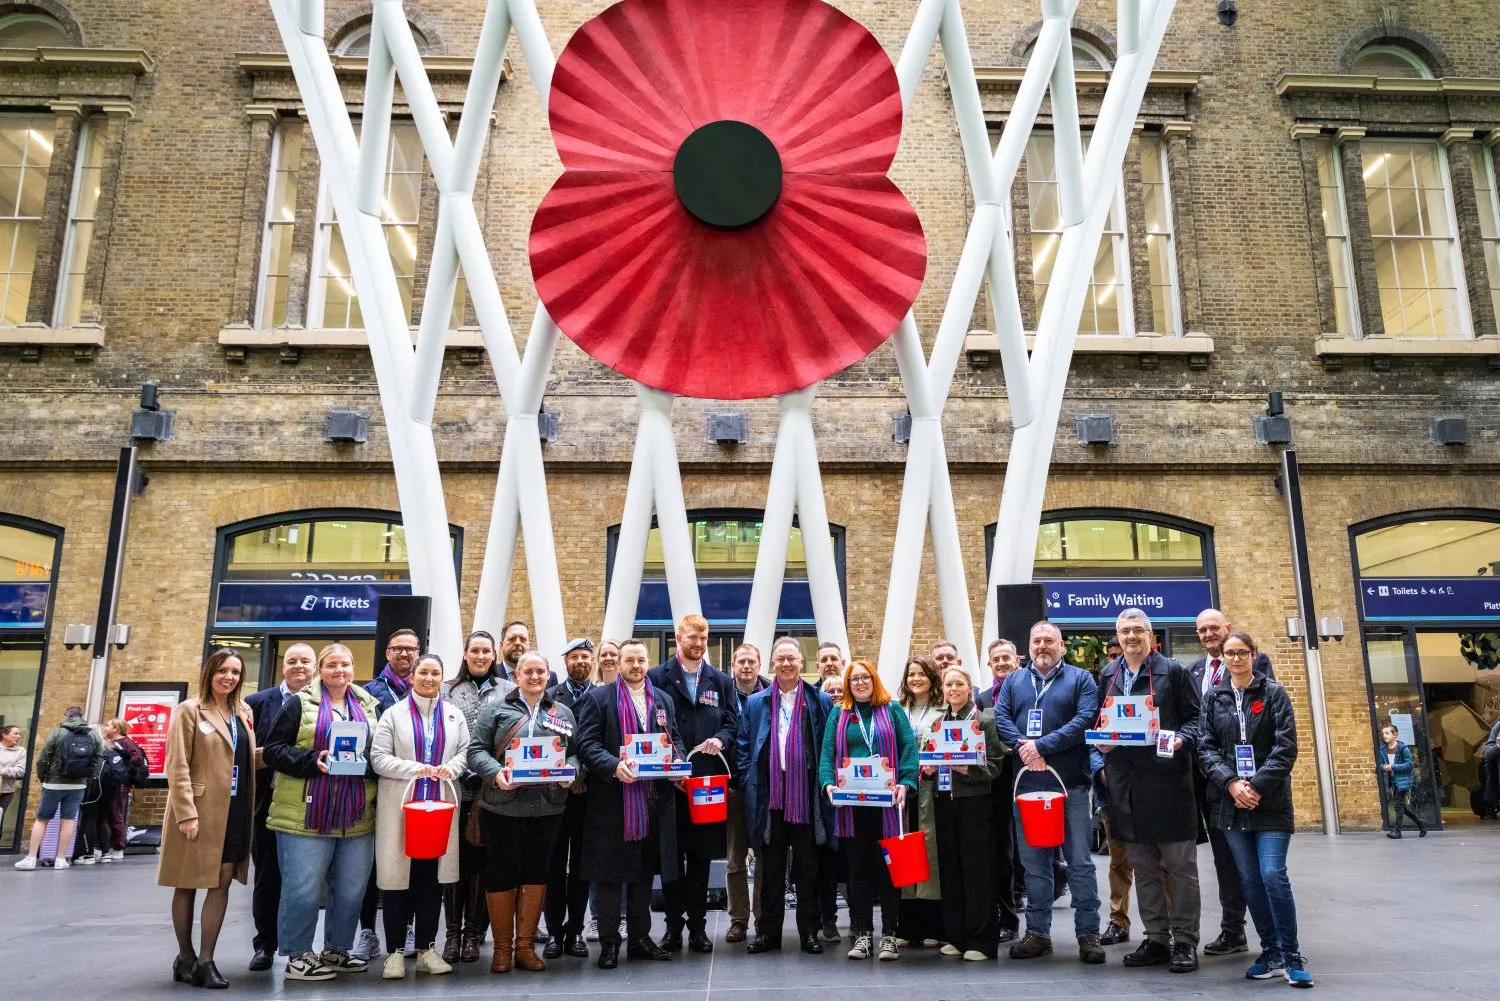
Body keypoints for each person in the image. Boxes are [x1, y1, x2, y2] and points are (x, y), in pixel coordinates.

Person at [1198, 631, 1311, 988]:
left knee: (1273, 874)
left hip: (1270, 801)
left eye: (1242, 652)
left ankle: (1292, 956)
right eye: (1229, 654)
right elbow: (1206, 748)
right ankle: (1271, 951)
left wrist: (1256, 786)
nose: (1235, 659)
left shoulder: (1274, 694)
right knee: (1248, 880)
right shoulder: (1213, 698)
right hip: (1230, 805)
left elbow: (1286, 747)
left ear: (1253, 655)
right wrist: (1232, 783)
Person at [262, 643, 381, 982]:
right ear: (320, 670)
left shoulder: (370, 706)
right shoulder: (298, 704)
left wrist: (368, 765)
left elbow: (378, 753)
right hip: (305, 814)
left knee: (351, 889)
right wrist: (311, 760)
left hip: (356, 815)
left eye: (344, 664)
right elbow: (272, 750)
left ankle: (337, 950)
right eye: (331, 665)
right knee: (303, 889)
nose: (338, 671)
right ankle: (298, 956)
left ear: (353, 667)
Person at [1097, 608, 1202, 973]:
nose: (1130, 637)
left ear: (1150, 634)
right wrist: (1102, 746)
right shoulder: (1108, 674)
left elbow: (1196, 720)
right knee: (1142, 867)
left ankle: (1185, 940)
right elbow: (1103, 721)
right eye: (1124, 631)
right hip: (1127, 786)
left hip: (1169, 783)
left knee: (1179, 867)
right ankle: (1157, 937)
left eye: (1137, 630)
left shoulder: (1173, 671)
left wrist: (1179, 740)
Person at [993, 621, 1104, 964]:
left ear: (1062, 646)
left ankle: (1088, 935)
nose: (1043, 646)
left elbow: (1086, 719)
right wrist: (1025, 748)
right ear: (1029, 645)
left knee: (1080, 862)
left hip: (1069, 784)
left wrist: (1040, 746)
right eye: (1037, 640)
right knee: (1033, 865)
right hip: (1026, 787)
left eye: (1049, 641)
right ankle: (1037, 934)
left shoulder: (1081, 679)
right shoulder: (1014, 681)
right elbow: (1001, 718)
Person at [574, 638, 685, 969]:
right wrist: (613, 766)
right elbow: (587, 743)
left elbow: (673, 738)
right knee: (609, 876)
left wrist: (677, 763)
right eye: (629, 660)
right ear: (618, 663)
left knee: (642, 876)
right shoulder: (599, 698)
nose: (636, 666)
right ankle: (610, 943)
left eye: (641, 660)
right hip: (612, 804)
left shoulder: (662, 699)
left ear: (647, 662)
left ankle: (639, 939)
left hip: (653, 803)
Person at [469, 650, 581, 973]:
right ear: (516, 676)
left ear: (548, 677)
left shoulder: (562, 712)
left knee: (537, 873)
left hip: (547, 809)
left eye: (540, 672)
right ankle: (502, 949)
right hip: (502, 808)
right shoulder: (496, 710)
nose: (534, 677)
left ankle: (525, 947)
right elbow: (476, 751)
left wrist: (571, 771)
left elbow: (574, 754)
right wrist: (495, 773)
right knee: (502, 874)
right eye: (528, 671)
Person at [157, 648, 259, 990]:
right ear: (210, 672)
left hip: (234, 808)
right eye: (223, 670)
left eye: (235, 672)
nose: (229, 677)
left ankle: (205, 960)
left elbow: (243, 757)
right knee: (186, 882)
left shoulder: (243, 711)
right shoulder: (189, 710)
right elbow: (178, 765)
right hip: (198, 811)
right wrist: (186, 813)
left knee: (222, 880)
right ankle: (184, 956)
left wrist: (280, 755)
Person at [371, 652, 469, 979]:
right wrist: (417, 769)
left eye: (435, 673)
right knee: (398, 880)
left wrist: (449, 768)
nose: (429, 678)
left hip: (439, 809)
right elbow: (378, 758)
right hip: (401, 810)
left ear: (443, 678)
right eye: (423, 672)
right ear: (412, 676)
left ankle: (427, 949)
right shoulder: (393, 714)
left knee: (430, 880)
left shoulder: (454, 715)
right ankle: (395, 953)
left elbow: (464, 753)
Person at [1188, 608, 1276, 957]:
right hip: (1211, 779)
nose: (1208, 634)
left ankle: (1273, 935)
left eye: (1214, 628)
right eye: (1202, 630)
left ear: (1228, 628)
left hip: (1251, 780)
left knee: (1262, 865)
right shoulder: (1194, 670)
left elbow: (1264, 721)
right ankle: (1233, 929)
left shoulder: (1258, 664)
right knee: (1225, 857)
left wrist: (1246, 781)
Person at [737, 637, 834, 955]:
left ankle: (809, 932)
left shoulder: (819, 700)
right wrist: (746, 776)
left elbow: (826, 745)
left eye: (792, 658)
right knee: (771, 871)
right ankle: (767, 934)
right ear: (773, 664)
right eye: (781, 659)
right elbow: (744, 744)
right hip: (770, 799)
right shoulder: (756, 703)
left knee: (808, 870)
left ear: (801, 663)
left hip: (806, 799)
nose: (787, 664)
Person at [649, 613, 738, 954]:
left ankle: (698, 928)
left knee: (701, 858)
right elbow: (652, 726)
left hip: (706, 784)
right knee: (672, 858)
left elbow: (732, 722)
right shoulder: (656, 677)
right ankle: (672, 927)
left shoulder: (720, 680)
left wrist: (721, 739)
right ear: (678, 637)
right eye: (691, 638)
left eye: (703, 638)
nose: (698, 644)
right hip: (671, 784)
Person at [819, 660, 919, 962]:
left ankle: (889, 935)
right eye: (854, 679)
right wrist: (827, 784)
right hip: (852, 805)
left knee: (888, 870)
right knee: (857, 871)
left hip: (887, 805)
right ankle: (862, 934)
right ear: (848, 685)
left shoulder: (892, 710)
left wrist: (906, 783)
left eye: (865, 678)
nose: (860, 683)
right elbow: (827, 754)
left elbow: (909, 749)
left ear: (874, 680)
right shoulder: (839, 713)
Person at [441, 630, 516, 963]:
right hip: (455, 788)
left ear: (495, 654)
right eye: (475, 650)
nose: (481, 656)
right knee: (455, 863)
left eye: (487, 651)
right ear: (466, 653)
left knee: (484, 864)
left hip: (493, 789)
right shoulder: (447, 690)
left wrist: (489, 771)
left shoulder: (508, 690)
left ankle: (474, 934)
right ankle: (452, 935)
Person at [355, 627, 424, 962]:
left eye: (411, 650)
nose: (405, 655)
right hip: (377, 788)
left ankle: (407, 925)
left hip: (415, 789)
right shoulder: (368, 693)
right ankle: (367, 931)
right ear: (387, 653)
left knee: (410, 858)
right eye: (398, 649)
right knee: (371, 865)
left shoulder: (425, 693)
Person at [245, 642, 315, 971]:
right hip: (268, 803)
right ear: (282, 666)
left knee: (305, 880)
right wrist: (269, 754)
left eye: (306, 661)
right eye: (292, 661)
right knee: (268, 877)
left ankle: (303, 948)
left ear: (314, 667)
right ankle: (265, 945)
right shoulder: (257, 703)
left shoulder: (328, 701)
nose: (299, 666)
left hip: (313, 803)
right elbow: (242, 753)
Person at [930, 667, 1005, 960]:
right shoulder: (938, 723)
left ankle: (981, 940)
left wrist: (969, 770)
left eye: (959, 684)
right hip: (944, 801)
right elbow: (932, 758)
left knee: (977, 871)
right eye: (948, 684)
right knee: (951, 868)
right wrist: (928, 770)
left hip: (975, 802)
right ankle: (957, 935)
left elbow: (996, 765)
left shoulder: (984, 722)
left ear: (970, 688)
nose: (953, 689)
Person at [544, 638, 596, 959]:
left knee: (580, 866)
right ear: (565, 662)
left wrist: (582, 774)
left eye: (586, 656)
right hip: (554, 795)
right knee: (552, 866)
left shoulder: (603, 696)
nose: (581, 661)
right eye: (575, 656)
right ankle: (553, 933)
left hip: (589, 796)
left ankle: (576, 930)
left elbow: (601, 740)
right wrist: (566, 775)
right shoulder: (551, 698)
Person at [895, 655, 945, 949]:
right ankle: (907, 925)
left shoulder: (942, 709)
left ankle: (932, 925)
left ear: (932, 677)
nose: (915, 679)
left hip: (930, 789)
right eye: (911, 674)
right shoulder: (898, 709)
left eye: (921, 674)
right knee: (905, 851)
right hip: (902, 790)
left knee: (929, 852)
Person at [974, 638, 1022, 943]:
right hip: (994, 782)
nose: (1002, 663)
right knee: (999, 852)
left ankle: (1019, 915)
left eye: (1007, 658)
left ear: (1017, 661)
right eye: (996, 659)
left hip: (1027, 774)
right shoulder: (982, 698)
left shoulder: (1028, 689)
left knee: (1023, 852)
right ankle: (1004, 917)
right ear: (989, 664)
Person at [13, 705, 100, 871]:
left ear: (66, 715)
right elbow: (98, 759)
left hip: (53, 782)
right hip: (78, 785)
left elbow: (44, 756)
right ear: (81, 716)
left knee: (42, 819)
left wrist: (43, 776)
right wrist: (87, 778)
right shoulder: (93, 734)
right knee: (68, 820)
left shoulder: (58, 732)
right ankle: (61, 859)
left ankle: (31, 858)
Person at [725, 641, 768, 944]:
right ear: (733, 665)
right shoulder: (722, 694)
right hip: (734, 785)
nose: (746, 667)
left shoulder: (772, 695)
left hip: (767, 785)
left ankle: (763, 917)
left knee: (765, 854)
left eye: (751, 661)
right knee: (735, 856)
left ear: (760, 664)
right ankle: (738, 919)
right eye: (741, 661)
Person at [816, 672, 847, 943]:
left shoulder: (853, 718)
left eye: (840, 689)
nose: (836, 694)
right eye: (830, 690)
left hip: (855, 800)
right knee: (827, 862)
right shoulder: (819, 719)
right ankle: (828, 918)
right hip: (824, 800)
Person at [1377, 723, 1427, 838]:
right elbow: (1380, 764)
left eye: (1387, 733)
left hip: (1403, 780)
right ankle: (1421, 824)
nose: (1384, 736)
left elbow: (1410, 764)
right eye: (1383, 733)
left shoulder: (1403, 748)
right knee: (1402, 807)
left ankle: (1397, 831)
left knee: (1398, 806)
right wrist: (1383, 767)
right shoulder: (1383, 748)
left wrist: (1393, 767)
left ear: (1395, 735)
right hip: (1392, 781)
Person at [497, 620, 560, 687]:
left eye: (523, 639)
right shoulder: (490, 675)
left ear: (529, 645)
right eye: (512, 639)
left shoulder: (549, 677)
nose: (517, 643)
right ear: (501, 645)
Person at [0, 724, 24, 833]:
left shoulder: (20, 751)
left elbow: (20, 771)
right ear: (4, 735)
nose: (18, 736)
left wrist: (2, 771)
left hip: (6, 792)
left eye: (19, 734)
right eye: (15, 733)